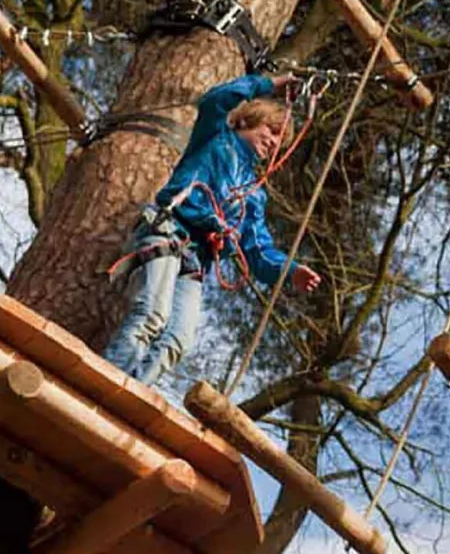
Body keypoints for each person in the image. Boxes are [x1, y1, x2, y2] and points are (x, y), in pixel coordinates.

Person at [105, 74, 321, 384]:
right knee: (152, 315)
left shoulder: (253, 194)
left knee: (177, 340)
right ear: (248, 120)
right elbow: (216, 100)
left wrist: (290, 270)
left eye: (279, 141)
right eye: (271, 130)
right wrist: (268, 85)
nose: (273, 142)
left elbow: (258, 250)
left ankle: (129, 391)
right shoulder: (216, 137)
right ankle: (109, 380)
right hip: (169, 232)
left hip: (196, 262)